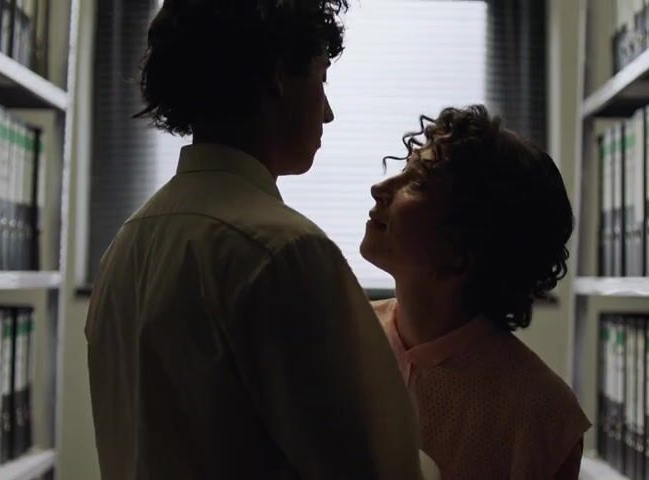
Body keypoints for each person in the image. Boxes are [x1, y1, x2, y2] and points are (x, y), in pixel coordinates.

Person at [85, 1, 421, 478]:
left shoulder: (129, 242)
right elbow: (374, 468)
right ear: (278, 76)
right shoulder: (282, 251)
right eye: (322, 79)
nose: (328, 113)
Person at [361, 105, 591, 479]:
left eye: (417, 182)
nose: (380, 189)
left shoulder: (544, 418)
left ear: (466, 247)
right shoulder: (333, 336)